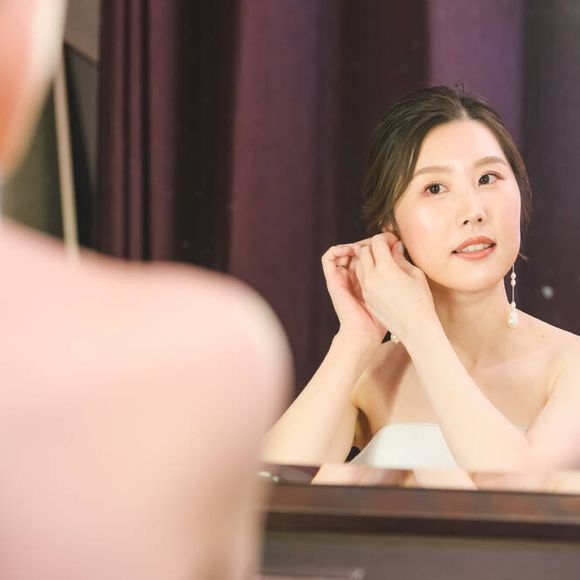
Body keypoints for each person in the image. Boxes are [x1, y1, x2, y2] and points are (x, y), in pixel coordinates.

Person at [0, 1, 291, 578]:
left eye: (480, 178)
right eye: (434, 188)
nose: (470, 212)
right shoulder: (199, 356)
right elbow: (285, 466)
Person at [263, 85, 580, 476]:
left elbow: (517, 494)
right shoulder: (371, 373)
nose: (473, 210)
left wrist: (421, 332)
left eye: (488, 178)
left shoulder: (569, 365)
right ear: (390, 225)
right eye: (435, 188)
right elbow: (266, 489)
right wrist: (355, 338)